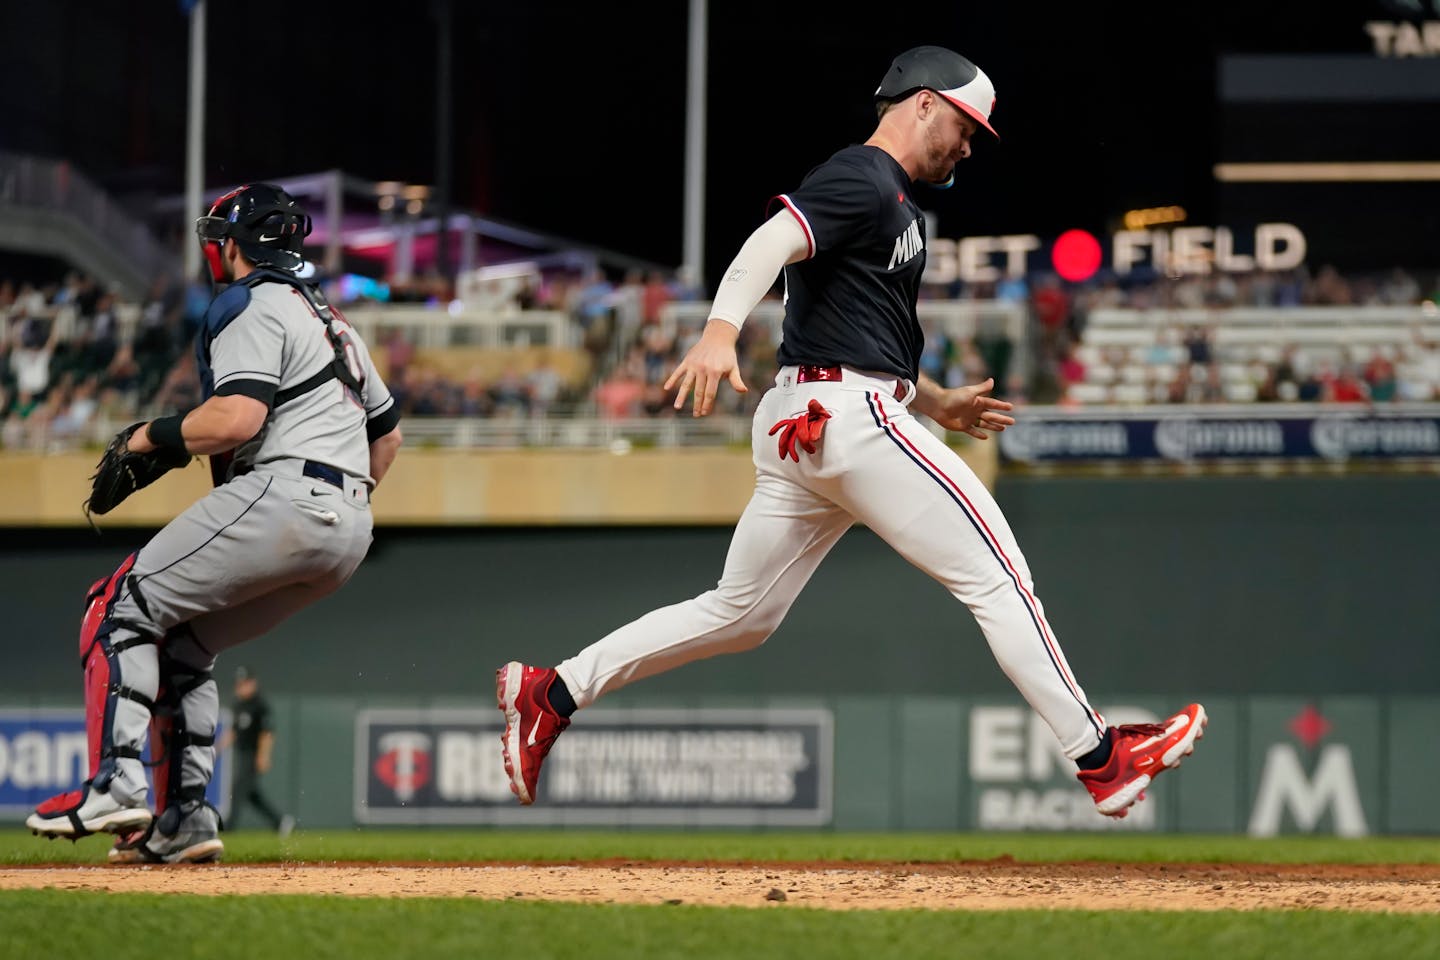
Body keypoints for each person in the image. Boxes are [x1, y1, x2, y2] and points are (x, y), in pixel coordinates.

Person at [495, 46, 1206, 819]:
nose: (970, 146)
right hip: (849, 421)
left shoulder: (893, 202)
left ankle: (552, 692)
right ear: (924, 102)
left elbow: (859, 333)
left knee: (740, 616)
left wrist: (932, 401)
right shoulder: (862, 176)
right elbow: (770, 241)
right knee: (998, 580)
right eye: (967, 126)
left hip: (815, 421)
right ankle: (1102, 759)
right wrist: (718, 332)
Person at [26, 184, 402, 863]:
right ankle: (186, 820)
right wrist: (342, 499)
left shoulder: (250, 302)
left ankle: (115, 782)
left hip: (289, 492)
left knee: (115, 610)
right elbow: (389, 437)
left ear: (234, 244)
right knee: (180, 647)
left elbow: (236, 420)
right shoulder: (333, 320)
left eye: (216, 237)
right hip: (348, 526)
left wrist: (148, 436)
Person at [218, 666, 295, 836]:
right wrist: (218, 748)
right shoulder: (238, 705)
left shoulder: (260, 705)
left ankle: (228, 828)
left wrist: (264, 756)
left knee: (238, 790)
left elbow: (267, 733)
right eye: (239, 684)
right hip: (242, 753)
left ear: (253, 683)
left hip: (253, 754)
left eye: (245, 683)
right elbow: (234, 731)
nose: (241, 687)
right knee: (252, 795)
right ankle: (280, 821)